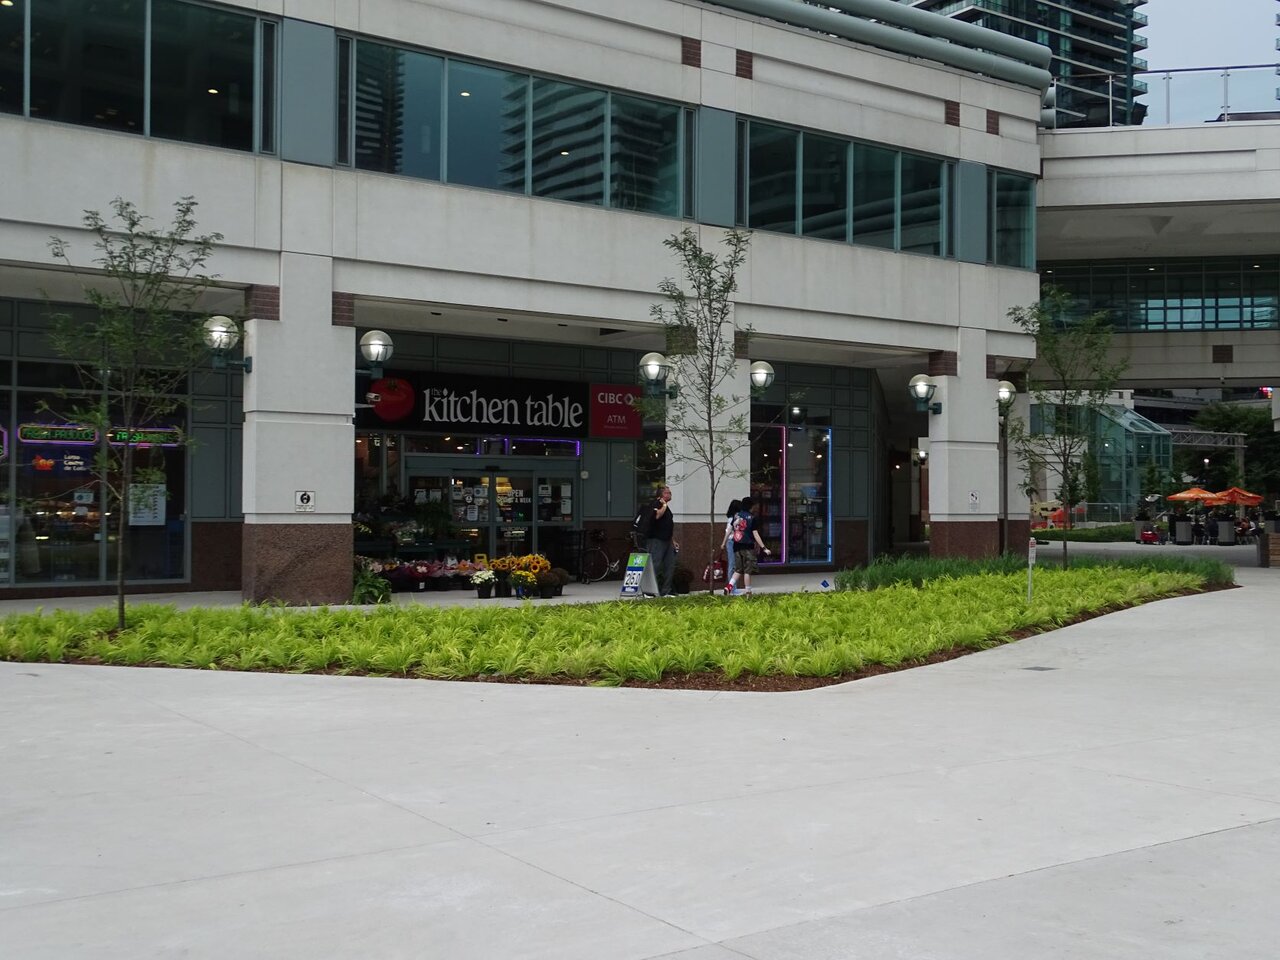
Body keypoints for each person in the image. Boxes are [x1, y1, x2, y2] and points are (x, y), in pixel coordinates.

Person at [723, 496, 770, 596]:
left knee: (738, 570)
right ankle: (748, 592)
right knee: (747, 571)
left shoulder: (736, 516)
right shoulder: (752, 518)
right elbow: (755, 534)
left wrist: (723, 543)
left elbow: (729, 530)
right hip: (748, 546)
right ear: (750, 506)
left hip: (736, 546)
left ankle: (729, 587)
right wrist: (764, 548)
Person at [644, 485, 678, 597]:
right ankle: (649, 591)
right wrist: (663, 505)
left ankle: (666, 590)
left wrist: (673, 541)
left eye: (670, 492)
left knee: (670, 565)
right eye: (666, 493)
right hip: (656, 540)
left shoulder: (666, 507)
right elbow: (657, 516)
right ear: (660, 495)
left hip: (667, 540)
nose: (669, 494)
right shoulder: (656, 504)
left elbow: (667, 525)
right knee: (655, 564)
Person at [719, 498, 742, 585]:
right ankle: (732, 588)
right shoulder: (732, 519)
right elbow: (728, 531)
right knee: (732, 565)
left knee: (735, 565)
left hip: (736, 542)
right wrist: (723, 543)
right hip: (732, 542)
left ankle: (732, 586)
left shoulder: (737, 518)